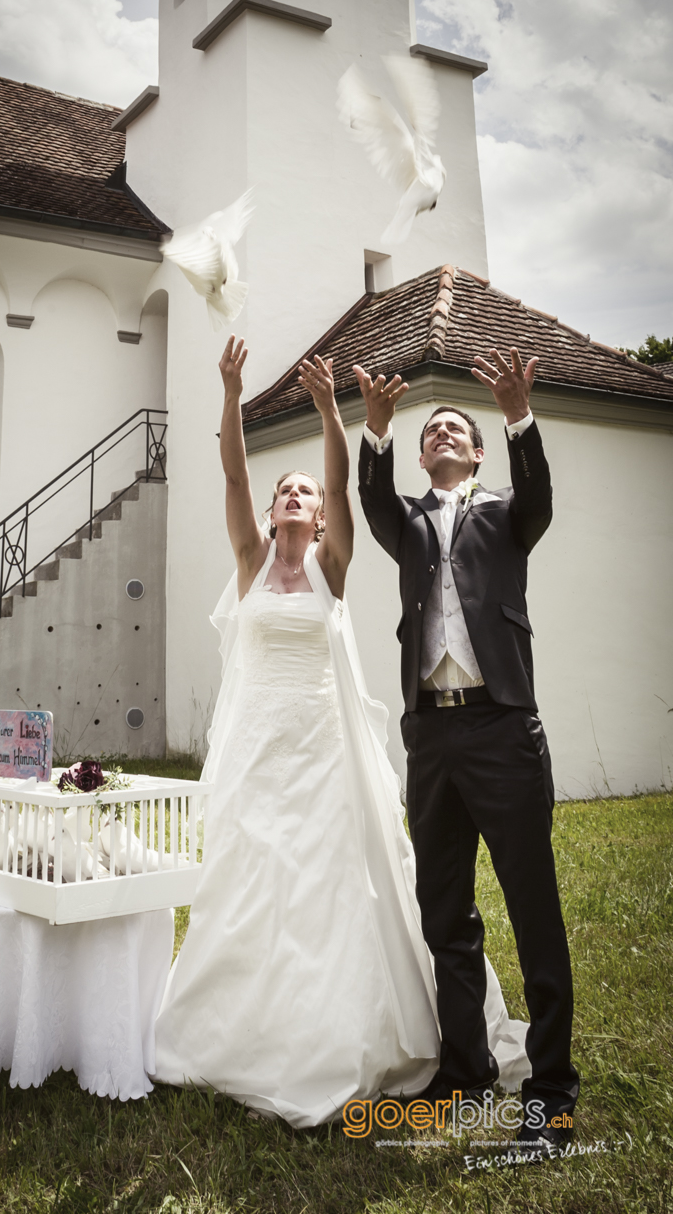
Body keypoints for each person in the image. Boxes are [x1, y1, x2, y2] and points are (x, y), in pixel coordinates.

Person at [154, 338, 529, 1127]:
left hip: (322, 748)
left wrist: (331, 411)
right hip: (259, 744)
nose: (294, 494)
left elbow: (338, 480)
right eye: (283, 490)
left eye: (304, 493)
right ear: (270, 511)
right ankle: (246, 1030)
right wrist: (229, 391)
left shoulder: (332, 565)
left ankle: (342, 1029)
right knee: (254, 879)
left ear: (321, 517)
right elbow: (229, 472)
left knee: (332, 882)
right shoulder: (251, 558)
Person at [355, 346, 580, 1150]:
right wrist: (374, 430)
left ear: (478, 451)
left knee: (531, 905)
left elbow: (542, 496)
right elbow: (372, 499)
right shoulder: (407, 522)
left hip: (500, 727)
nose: (442, 432)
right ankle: (465, 1070)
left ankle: (551, 1093)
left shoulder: (508, 513)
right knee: (444, 910)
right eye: (431, 429)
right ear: (422, 455)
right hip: (433, 733)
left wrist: (521, 414)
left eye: (457, 427)